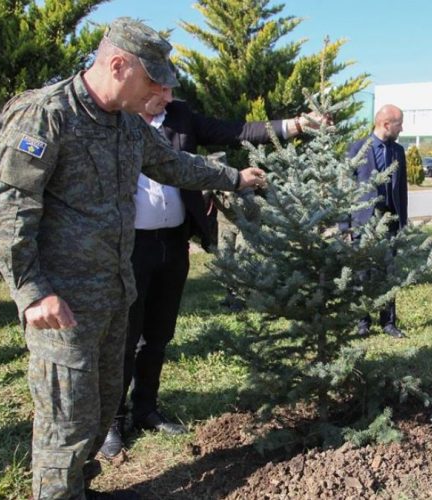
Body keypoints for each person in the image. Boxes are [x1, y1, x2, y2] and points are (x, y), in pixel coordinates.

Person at [0, 17, 267, 499]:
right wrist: (33, 290)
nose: (163, 94)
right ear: (118, 65)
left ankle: (79, 488)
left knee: (100, 408)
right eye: (155, 82)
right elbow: (5, 207)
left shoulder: (127, 127)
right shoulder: (46, 115)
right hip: (61, 306)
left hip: (115, 296)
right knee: (66, 422)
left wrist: (234, 178)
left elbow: (176, 164)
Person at [99, 84, 326, 459]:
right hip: (128, 246)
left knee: (158, 334)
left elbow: (234, 130)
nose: (169, 99)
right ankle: (111, 421)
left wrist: (296, 125)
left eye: (171, 91)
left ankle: (145, 410)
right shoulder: (115, 119)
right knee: (124, 336)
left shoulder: (181, 117)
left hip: (173, 242)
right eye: (162, 90)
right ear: (141, 85)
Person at [347, 104, 408, 339]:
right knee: (361, 273)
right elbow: (344, 190)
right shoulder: (357, 149)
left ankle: (388, 322)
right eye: (399, 123)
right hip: (363, 222)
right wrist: (345, 227)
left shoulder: (398, 151)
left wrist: (401, 222)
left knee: (388, 273)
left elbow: (402, 189)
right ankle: (362, 322)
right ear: (386, 124)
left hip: (389, 221)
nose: (402, 128)